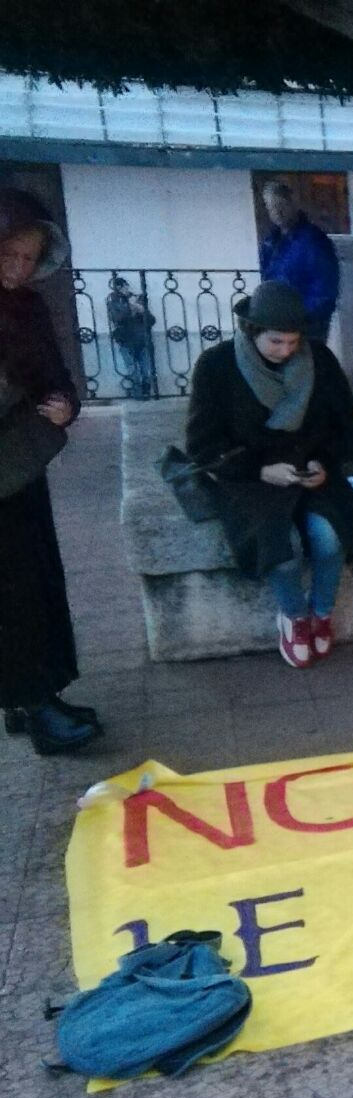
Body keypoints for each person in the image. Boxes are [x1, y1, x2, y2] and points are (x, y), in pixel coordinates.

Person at [186, 281, 353, 669]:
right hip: (249, 479)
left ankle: (321, 613)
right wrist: (259, 470)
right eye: (276, 342)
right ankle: (294, 618)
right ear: (252, 331)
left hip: (310, 471)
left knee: (328, 538)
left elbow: (348, 430)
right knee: (281, 547)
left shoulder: (319, 360)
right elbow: (203, 446)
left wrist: (325, 464)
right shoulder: (216, 366)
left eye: (293, 342)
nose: (286, 351)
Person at [0, 188, 102, 756]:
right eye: (9, 255)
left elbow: (54, 375)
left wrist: (65, 402)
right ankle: (34, 706)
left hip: (24, 467)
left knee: (36, 586)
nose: (19, 268)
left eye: (29, 258)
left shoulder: (28, 306)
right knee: (13, 597)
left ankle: (34, 697)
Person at [259, 182, 340, 342]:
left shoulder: (313, 241)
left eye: (281, 205)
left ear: (292, 204)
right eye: (271, 208)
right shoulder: (271, 242)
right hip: (278, 323)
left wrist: (303, 316)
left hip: (307, 326)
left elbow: (325, 287)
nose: (277, 212)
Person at [107, 275, 156, 398]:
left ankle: (146, 392)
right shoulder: (113, 302)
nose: (123, 289)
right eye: (119, 287)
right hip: (125, 340)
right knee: (132, 369)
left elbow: (151, 320)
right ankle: (138, 394)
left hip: (141, 339)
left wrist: (142, 311)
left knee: (146, 370)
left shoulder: (138, 299)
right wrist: (130, 308)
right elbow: (117, 318)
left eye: (124, 286)